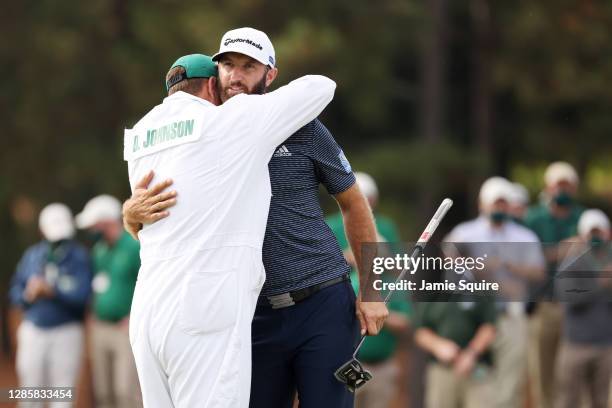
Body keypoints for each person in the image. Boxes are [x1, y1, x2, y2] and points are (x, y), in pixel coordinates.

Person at [123, 28, 388, 408]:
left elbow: (354, 203)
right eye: (227, 65)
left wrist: (372, 289)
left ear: (271, 75)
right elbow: (164, 220)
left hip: (321, 302)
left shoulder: (304, 127)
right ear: (214, 76)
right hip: (249, 316)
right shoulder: (198, 133)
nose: (236, 75)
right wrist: (129, 213)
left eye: (249, 66)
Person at [445, 177, 545, 408]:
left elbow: (539, 273)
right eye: (494, 203)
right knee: (477, 382)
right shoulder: (465, 232)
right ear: (483, 204)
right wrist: (480, 267)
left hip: (511, 315)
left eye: (503, 203)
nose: (499, 208)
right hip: (477, 319)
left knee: (510, 384)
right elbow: (449, 262)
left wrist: (509, 267)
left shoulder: (524, 236)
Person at [326, 171, 410, 408]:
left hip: (381, 363)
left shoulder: (393, 282)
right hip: (346, 361)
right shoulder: (332, 226)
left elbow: (397, 262)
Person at [9, 203, 92, 408]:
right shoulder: (32, 256)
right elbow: (15, 293)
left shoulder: (79, 257)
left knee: (62, 394)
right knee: (30, 391)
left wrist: (53, 291)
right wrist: (30, 294)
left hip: (67, 332)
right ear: (42, 231)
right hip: (33, 330)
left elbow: (83, 297)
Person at [524, 161, 584, 408]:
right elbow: (528, 260)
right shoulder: (533, 218)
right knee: (543, 372)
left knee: (574, 374)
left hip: (579, 307)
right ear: (548, 187)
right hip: (543, 305)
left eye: (567, 186)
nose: (562, 191)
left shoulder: (584, 217)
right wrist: (564, 250)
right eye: (558, 185)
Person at [75, 195, 142, 408]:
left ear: (106, 222)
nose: (93, 229)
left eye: (95, 224)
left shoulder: (133, 246)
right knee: (104, 392)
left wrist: (134, 317)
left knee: (126, 392)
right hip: (100, 327)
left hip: (125, 328)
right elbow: (99, 285)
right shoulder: (100, 250)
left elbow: (147, 285)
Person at [554, 209, 612, 408]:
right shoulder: (571, 264)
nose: (596, 238)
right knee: (569, 401)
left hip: (605, 345)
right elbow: (569, 298)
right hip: (576, 345)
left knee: (600, 401)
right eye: (591, 233)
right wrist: (600, 283)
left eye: (599, 232)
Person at [414, 297, 497, 408]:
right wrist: (437, 345)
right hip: (441, 369)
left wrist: (471, 353)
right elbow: (420, 332)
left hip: (476, 368)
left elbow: (489, 327)